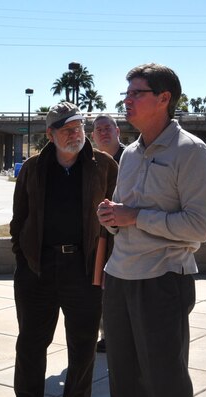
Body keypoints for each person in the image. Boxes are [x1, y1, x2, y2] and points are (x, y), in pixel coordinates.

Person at [97, 63, 206, 397]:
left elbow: (199, 226)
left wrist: (135, 217)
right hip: (121, 277)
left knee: (166, 385)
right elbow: (128, 217)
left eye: (137, 92)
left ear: (164, 98)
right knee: (125, 382)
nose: (127, 99)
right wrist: (113, 219)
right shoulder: (129, 154)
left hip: (164, 281)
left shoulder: (191, 151)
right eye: (126, 92)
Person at [0, 101, 117, 397]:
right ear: (50, 134)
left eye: (78, 127)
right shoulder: (33, 168)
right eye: (67, 129)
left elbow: (116, 222)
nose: (75, 134)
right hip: (39, 269)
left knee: (82, 343)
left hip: (85, 268)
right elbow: (19, 219)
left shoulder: (103, 165)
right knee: (31, 340)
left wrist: (106, 265)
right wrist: (24, 260)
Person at [90, 114, 126, 353]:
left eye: (107, 128)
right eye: (98, 129)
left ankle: (122, 334)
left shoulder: (131, 157)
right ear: (92, 136)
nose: (103, 132)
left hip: (125, 233)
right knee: (98, 287)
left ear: (117, 131)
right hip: (96, 235)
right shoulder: (90, 162)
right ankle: (106, 335)